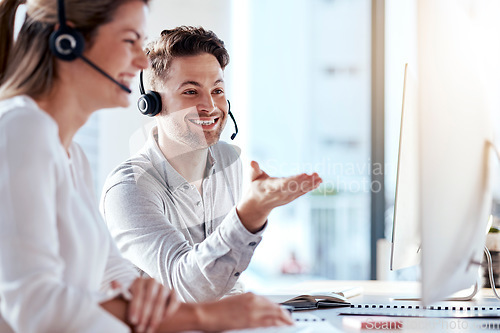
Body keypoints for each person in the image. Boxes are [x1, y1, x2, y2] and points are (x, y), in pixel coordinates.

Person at [0, 1, 293, 332]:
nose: (141, 60)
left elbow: (113, 276)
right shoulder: (20, 129)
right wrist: (201, 316)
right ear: (66, 42)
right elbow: (34, 305)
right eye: (130, 40)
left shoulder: (72, 155)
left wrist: (146, 297)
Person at [100, 26, 323, 302]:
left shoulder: (228, 161)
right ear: (153, 104)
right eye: (191, 92)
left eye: (217, 90)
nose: (210, 106)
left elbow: (219, 282)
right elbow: (187, 286)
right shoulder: (129, 187)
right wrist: (250, 215)